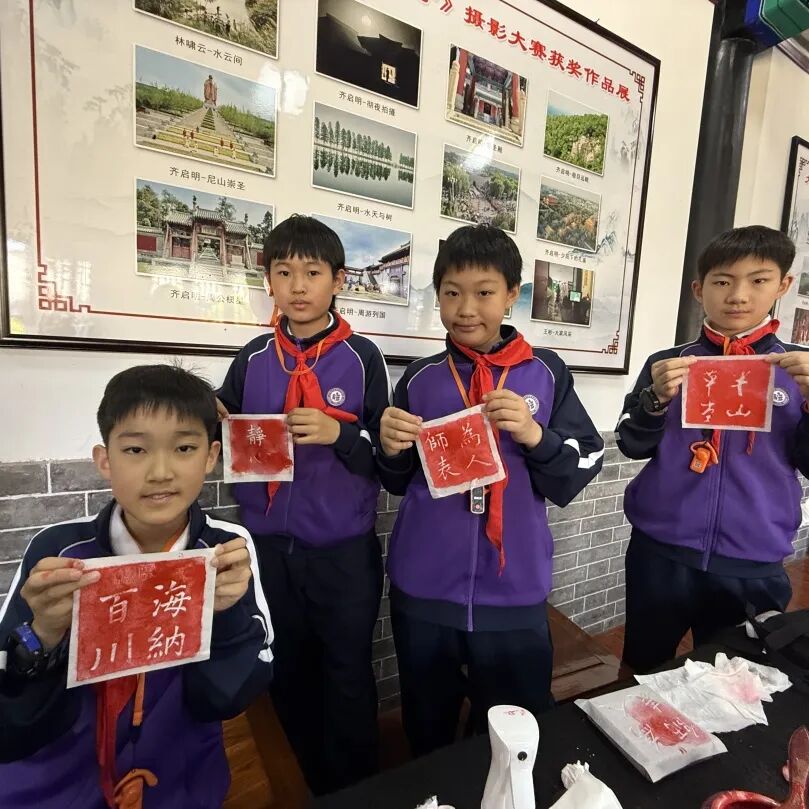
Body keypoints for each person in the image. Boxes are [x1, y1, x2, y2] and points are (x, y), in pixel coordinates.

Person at [0, 364, 273, 808]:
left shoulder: (226, 551)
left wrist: (226, 616)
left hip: (181, 777)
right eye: (135, 450)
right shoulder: (58, 551)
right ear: (104, 460)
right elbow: (11, 717)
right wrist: (42, 636)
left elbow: (230, 697)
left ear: (210, 457)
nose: (161, 471)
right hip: (62, 781)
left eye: (184, 448)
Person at [377, 224, 604, 757]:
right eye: (451, 292)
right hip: (424, 587)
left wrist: (534, 435)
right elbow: (395, 481)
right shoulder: (419, 378)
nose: (465, 308)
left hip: (514, 588)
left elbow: (584, 462)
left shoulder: (545, 372)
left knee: (514, 736)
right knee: (426, 729)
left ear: (511, 295)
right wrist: (389, 448)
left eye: (483, 292)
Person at [216, 214, 389, 795]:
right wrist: (209, 414)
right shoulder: (253, 357)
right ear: (267, 279)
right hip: (267, 549)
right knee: (283, 667)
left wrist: (340, 434)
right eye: (284, 272)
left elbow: (387, 458)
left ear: (338, 280)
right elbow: (222, 420)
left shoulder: (362, 357)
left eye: (312, 273)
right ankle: (297, 785)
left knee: (346, 672)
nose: (297, 286)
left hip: (343, 552)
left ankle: (356, 788)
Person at [617, 225, 809, 673]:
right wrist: (654, 400)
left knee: (738, 683)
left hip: (753, 558)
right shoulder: (668, 363)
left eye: (758, 280)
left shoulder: (798, 369)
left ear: (783, 285)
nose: (738, 296)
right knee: (641, 668)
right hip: (660, 552)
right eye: (723, 281)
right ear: (699, 290)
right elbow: (630, 443)